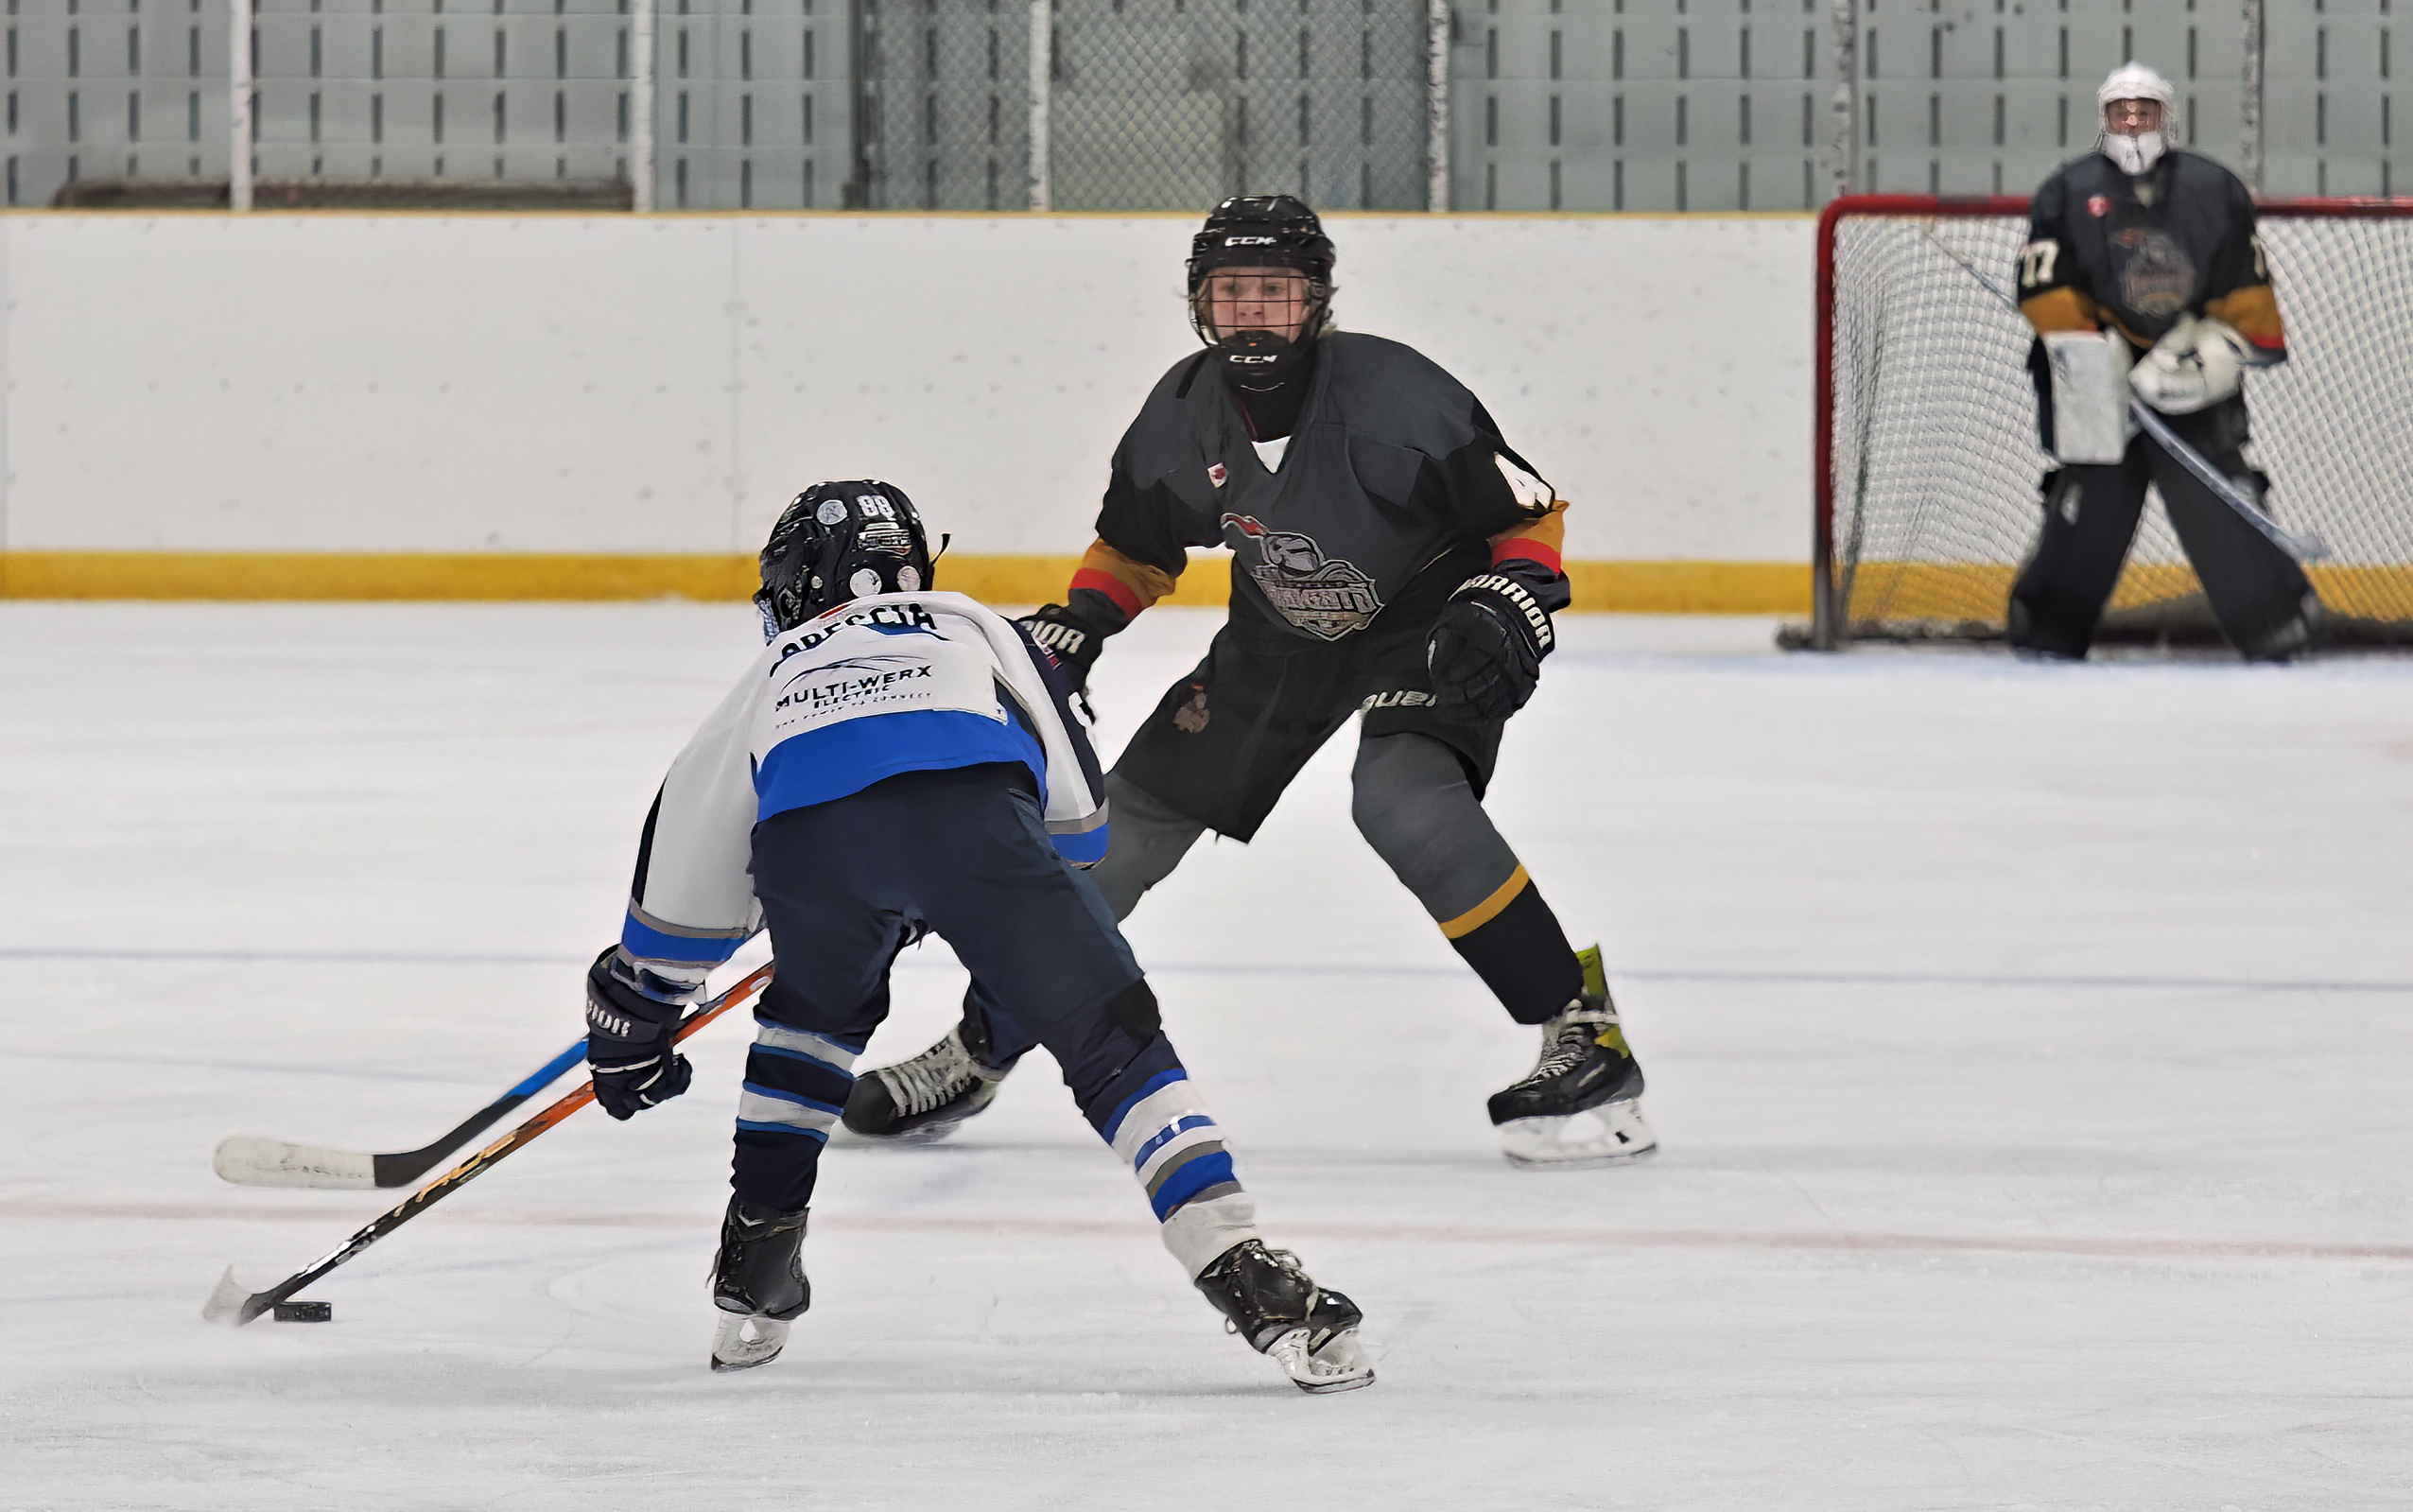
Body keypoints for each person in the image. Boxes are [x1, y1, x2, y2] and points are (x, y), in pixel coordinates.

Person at [844, 196, 1656, 1171]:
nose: (1255, 314)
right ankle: (980, 1050)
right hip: (1280, 635)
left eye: (1277, 292)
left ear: (1318, 301)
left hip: (1429, 622)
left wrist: (1511, 595)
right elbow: (1135, 544)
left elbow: (1527, 511)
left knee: (1402, 801)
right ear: (1200, 304)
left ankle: (1581, 1027)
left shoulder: (1396, 396)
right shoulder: (1182, 413)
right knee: (1118, 835)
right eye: (1234, 294)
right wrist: (1083, 619)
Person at [580, 478, 1373, 1393]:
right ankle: (1239, 1265)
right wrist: (952, 870)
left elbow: (684, 878)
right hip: (980, 823)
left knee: (809, 1023)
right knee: (1112, 1036)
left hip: (811, 849)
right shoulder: (973, 623)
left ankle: (754, 1269)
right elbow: (1081, 826)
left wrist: (640, 1003)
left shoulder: (774, 669)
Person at [2008, 62, 2322, 662]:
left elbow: (2245, 289)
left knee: (2216, 496)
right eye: (2120, 111)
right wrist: (2094, 350)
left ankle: (2276, 622)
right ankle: (2047, 628)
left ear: (2166, 115)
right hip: (2096, 386)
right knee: (2091, 498)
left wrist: (2216, 346)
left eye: (2144, 110)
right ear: (2104, 116)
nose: (2132, 121)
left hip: (2188, 374)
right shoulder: (2066, 190)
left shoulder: (2214, 188)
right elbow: (2043, 285)